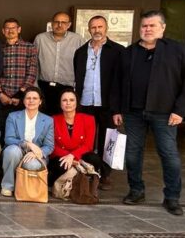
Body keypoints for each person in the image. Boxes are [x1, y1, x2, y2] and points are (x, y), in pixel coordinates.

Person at [112, 10, 185, 216]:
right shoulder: (129, 52)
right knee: (132, 154)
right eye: (144, 26)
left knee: (169, 155)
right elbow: (117, 83)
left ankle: (172, 197)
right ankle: (136, 190)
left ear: (163, 28)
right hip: (133, 112)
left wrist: (180, 110)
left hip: (165, 113)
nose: (147, 29)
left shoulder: (177, 50)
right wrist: (116, 109)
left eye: (152, 26)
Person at [73, 14, 124, 188]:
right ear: (89, 29)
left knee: (107, 140)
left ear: (106, 28)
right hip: (85, 103)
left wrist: (118, 109)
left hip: (108, 104)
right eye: (93, 27)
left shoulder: (117, 51)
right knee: (85, 139)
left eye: (100, 27)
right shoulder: (80, 52)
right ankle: (88, 171)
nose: (97, 30)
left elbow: (121, 82)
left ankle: (105, 175)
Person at [0, 87, 54, 197]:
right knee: (11, 152)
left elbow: (49, 145)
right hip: (17, 148)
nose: (31, 101)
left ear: (40, 101)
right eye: (28, 98)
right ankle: (7, 185)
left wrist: (36, 153)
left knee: (32, 165)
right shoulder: (13, 116)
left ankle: (23, 187)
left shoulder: (48, 120)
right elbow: (8, 139)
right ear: (24, 101)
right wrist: (27, 144)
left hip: (35, 154)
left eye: (35, 98)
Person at [34, 11, 84, 114]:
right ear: (51, 23)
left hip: (67, 88)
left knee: (63, 121)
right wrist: (35, 86)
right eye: (56, 22)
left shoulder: (78, 40)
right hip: (44, 87)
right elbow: (33, 63)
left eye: (63, 22)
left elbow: (83, 65)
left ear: (69, 25)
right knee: (44, 119)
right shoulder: (40, 39)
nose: (59, 25)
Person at [0, 17, 38, 131]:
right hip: (2, 97)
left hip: (22, 97)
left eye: (13, 28)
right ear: (3, 31)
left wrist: (20, 95)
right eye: (7, 28)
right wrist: (0, 93)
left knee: (21, 128)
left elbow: (32, 72)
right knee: (1, 127)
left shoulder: (29, 47)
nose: (10, 30)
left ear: (19, 29)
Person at [49, 89, 100, 185]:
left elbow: (88, 145)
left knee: (94, 159)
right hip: (61, 156)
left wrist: (72, 156)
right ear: (60, 103)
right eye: (64, 100)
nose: (68, 103)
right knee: (62, 165)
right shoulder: (52, 120)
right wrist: (67, 158)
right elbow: (52, 145)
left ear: (77, 103)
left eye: (72, 100)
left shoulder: (89, 119)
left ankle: (84, 183)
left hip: (80, 156)